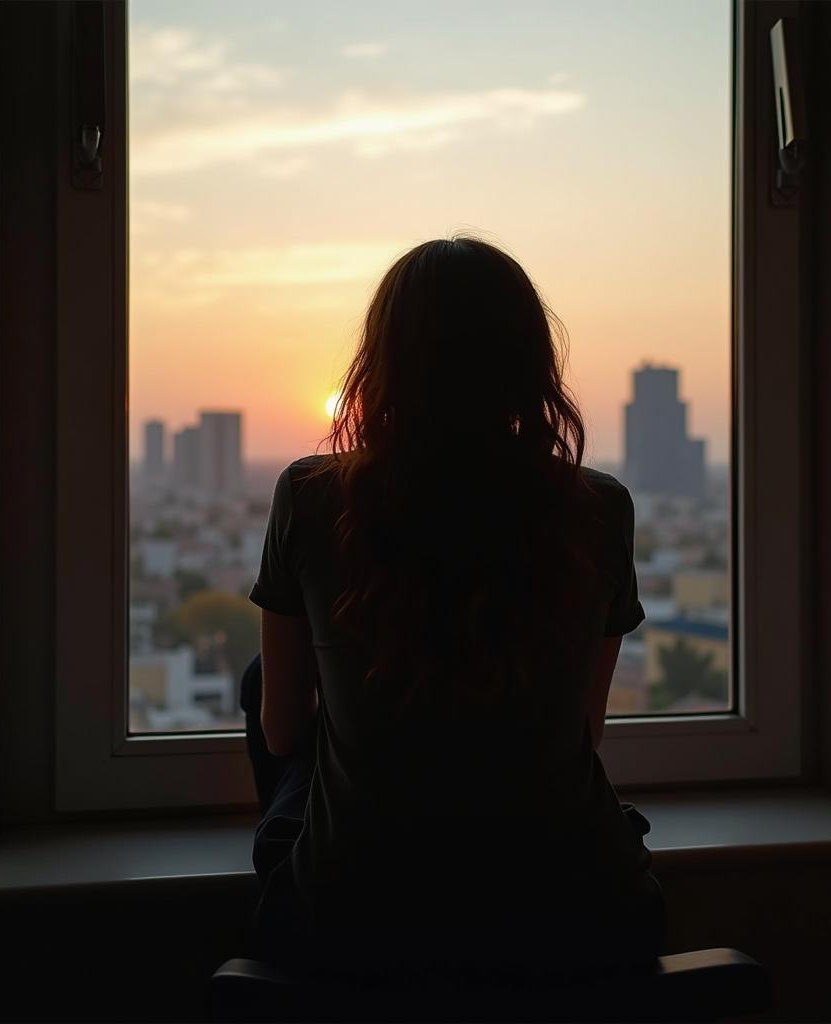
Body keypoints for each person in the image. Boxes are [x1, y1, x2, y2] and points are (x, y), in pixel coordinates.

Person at [241, 236, 664, 984]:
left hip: (359, 923)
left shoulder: (312, 499)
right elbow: (583, 732)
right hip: (583, 917)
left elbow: (280, 730)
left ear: (385, 361)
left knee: (262, 683)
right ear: (528, 364)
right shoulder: (598, 508)